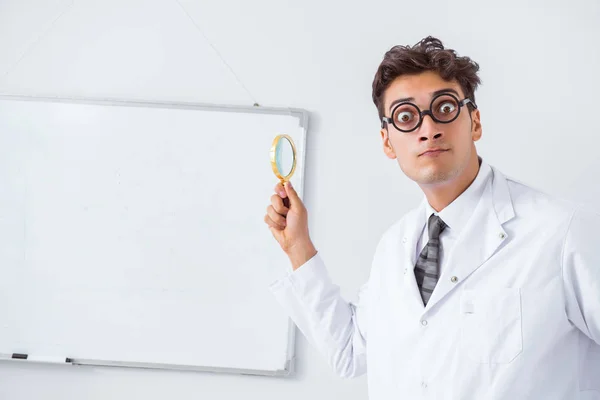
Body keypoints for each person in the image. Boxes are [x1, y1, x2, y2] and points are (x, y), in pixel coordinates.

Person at [263, 36, 600, 399]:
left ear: (474, 122)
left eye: (444, 108)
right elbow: (351, 352)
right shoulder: (395, 246)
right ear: (388, 142)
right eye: (406, 116)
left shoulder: (560, 233)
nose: (428, 129)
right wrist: (298, 248)